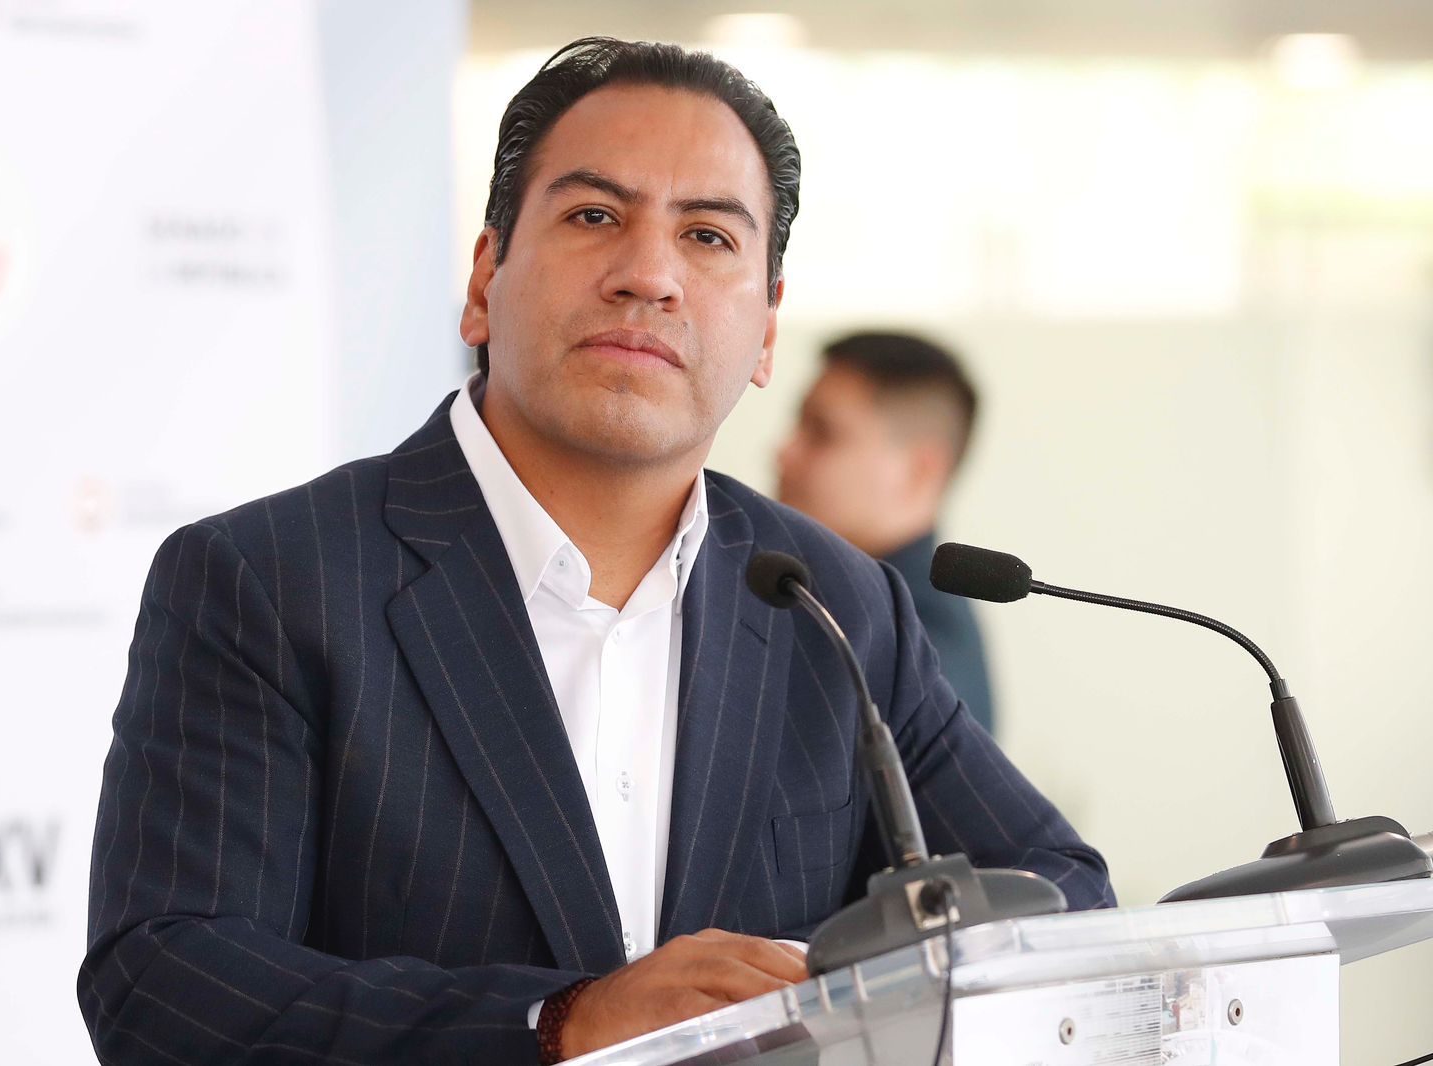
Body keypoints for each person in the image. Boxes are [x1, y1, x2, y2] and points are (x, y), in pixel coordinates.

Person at [78, 38, 1112, 1066]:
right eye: (594, 217)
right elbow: (166, 985)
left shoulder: (837, 602)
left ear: (765, 333)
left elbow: (1060, 891)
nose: (649, 275)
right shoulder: (268, 579)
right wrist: (558, 1022)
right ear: (484, 278)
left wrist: (829, 985)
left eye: (707, 236)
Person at [777, 332, 997, 735]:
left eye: (822, 433)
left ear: (920, 471)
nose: (785, 452)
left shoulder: (919, 655)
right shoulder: (850, 602)